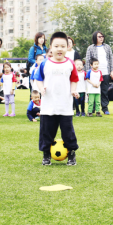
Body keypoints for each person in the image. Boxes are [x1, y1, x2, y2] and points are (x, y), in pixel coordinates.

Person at [34, 31, 79, 166]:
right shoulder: (45, 63)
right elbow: (38, 78)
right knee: (46, 132)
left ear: (67, 48)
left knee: (68, 132)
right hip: (48, 106)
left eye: (63, 46)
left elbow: (74, 79)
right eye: (56, 46)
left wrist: (73, 90)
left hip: (65, 105)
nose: (59, 49)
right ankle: (46, 154)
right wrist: (41, 89)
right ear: (51, 47)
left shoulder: (70, 63)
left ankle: (71, 154)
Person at [85, 31, 113, 115]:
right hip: (94, 74)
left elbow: (111, 59)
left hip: (105, 72)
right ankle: (92, 109)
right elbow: (87, 61)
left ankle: (105, 108)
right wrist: (88, 73)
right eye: (99, 36)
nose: (101, 38)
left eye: (102, 36)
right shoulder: (90, 48)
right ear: (95, 38)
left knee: (104, 91)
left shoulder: (107, 47)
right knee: (93, 91)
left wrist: (112, 71)